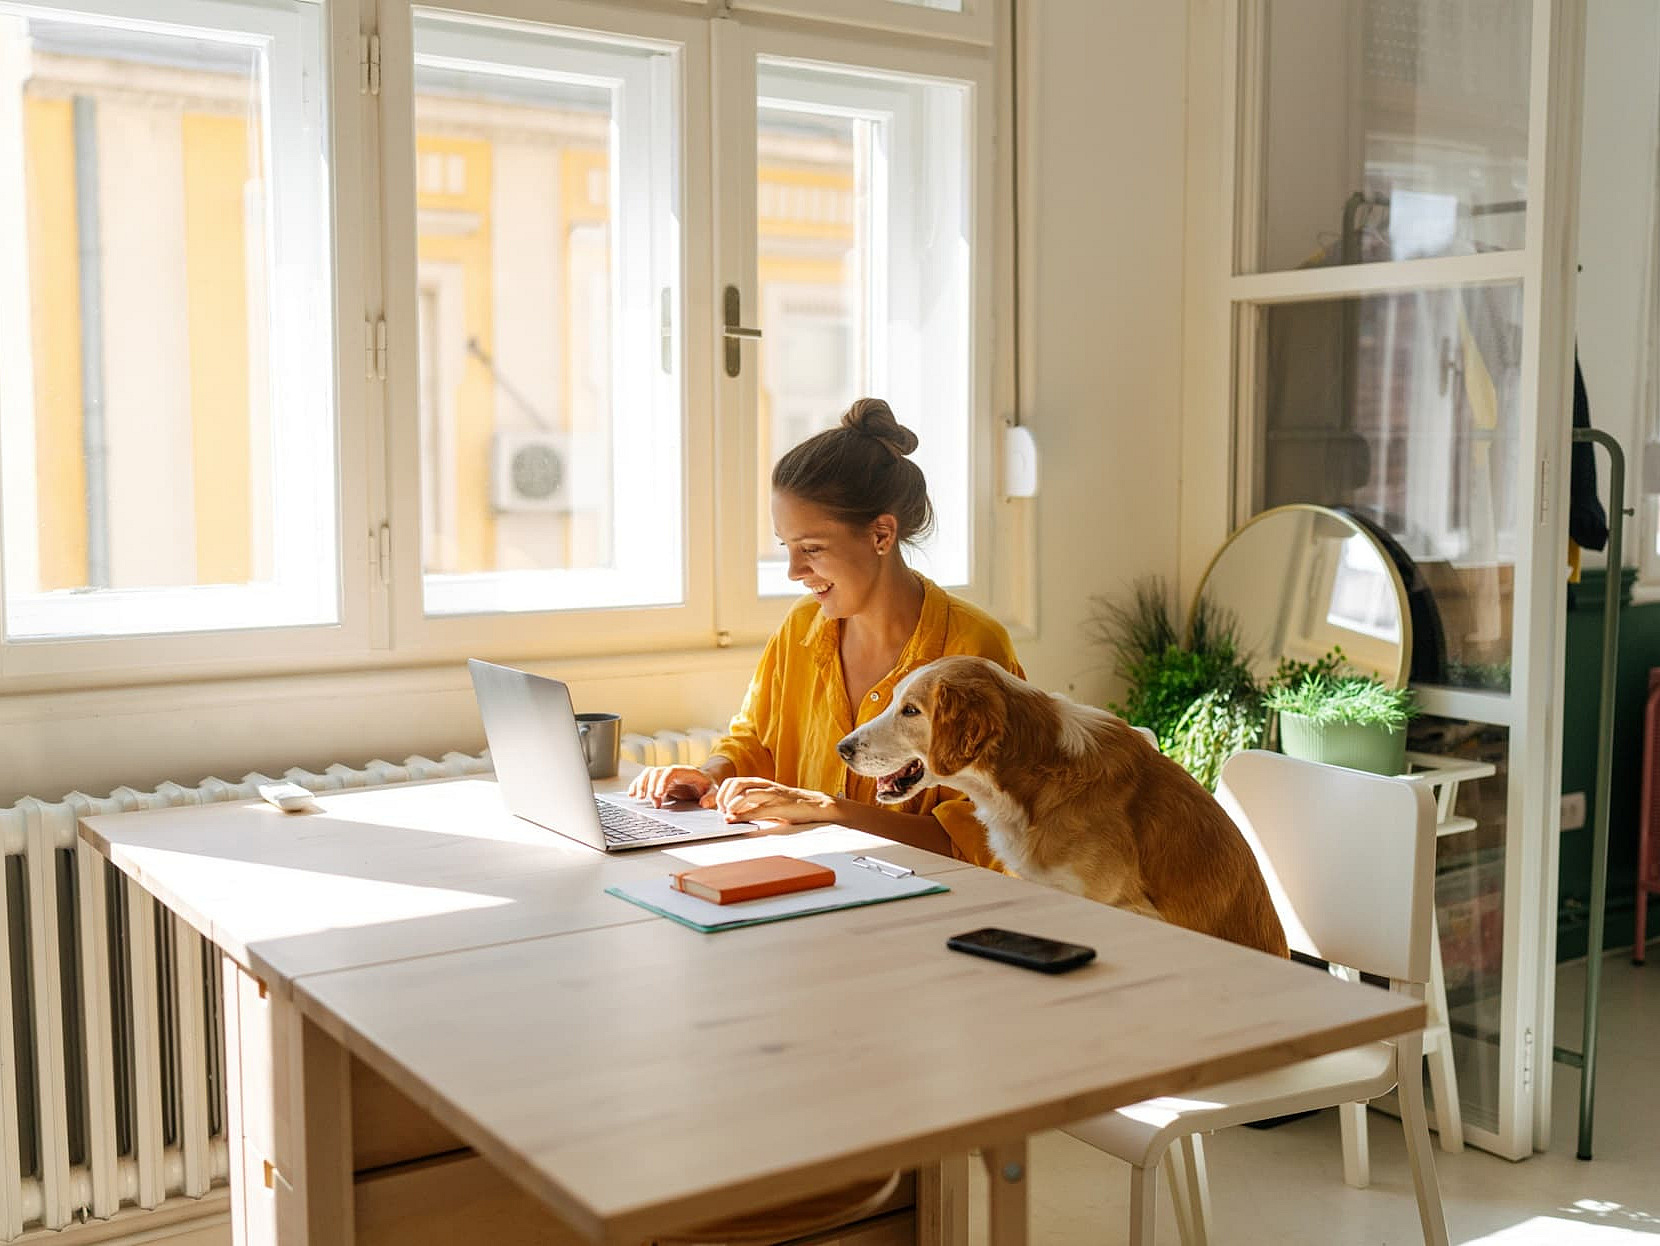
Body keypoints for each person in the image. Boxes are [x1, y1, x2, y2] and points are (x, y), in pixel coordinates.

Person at [627, 397, 1023, 866]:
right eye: (787, 547)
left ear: (881, 535)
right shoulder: (801, 628)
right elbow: (756, 741)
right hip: (808, 884)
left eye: (811, 548)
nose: (794, 570)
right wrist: (709, 774)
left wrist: (832, 812)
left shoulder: (973, 649)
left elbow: (982, 842)